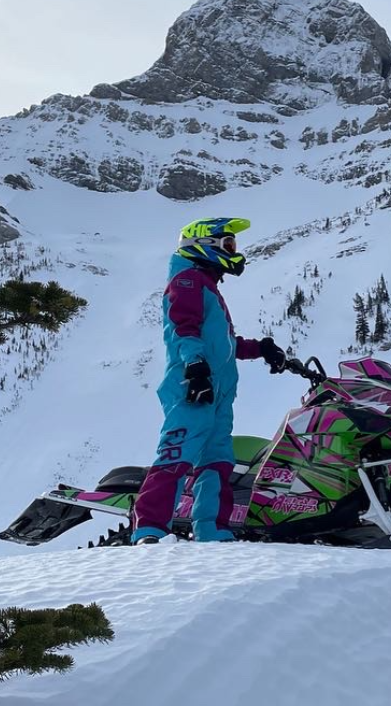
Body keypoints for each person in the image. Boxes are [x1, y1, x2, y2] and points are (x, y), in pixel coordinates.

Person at [131, 217, 285, 545]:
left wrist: (261, 349)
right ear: (205, 245)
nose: (233, 251)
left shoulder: (206, 285)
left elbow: (225, 346)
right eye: (228, 244)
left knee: (218, 460)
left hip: (216, 390)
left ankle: (213, 531)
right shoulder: (187, 281)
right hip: (192, 385)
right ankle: (149, 531)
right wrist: (195, 366)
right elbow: (183, 328)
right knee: (177, 452)